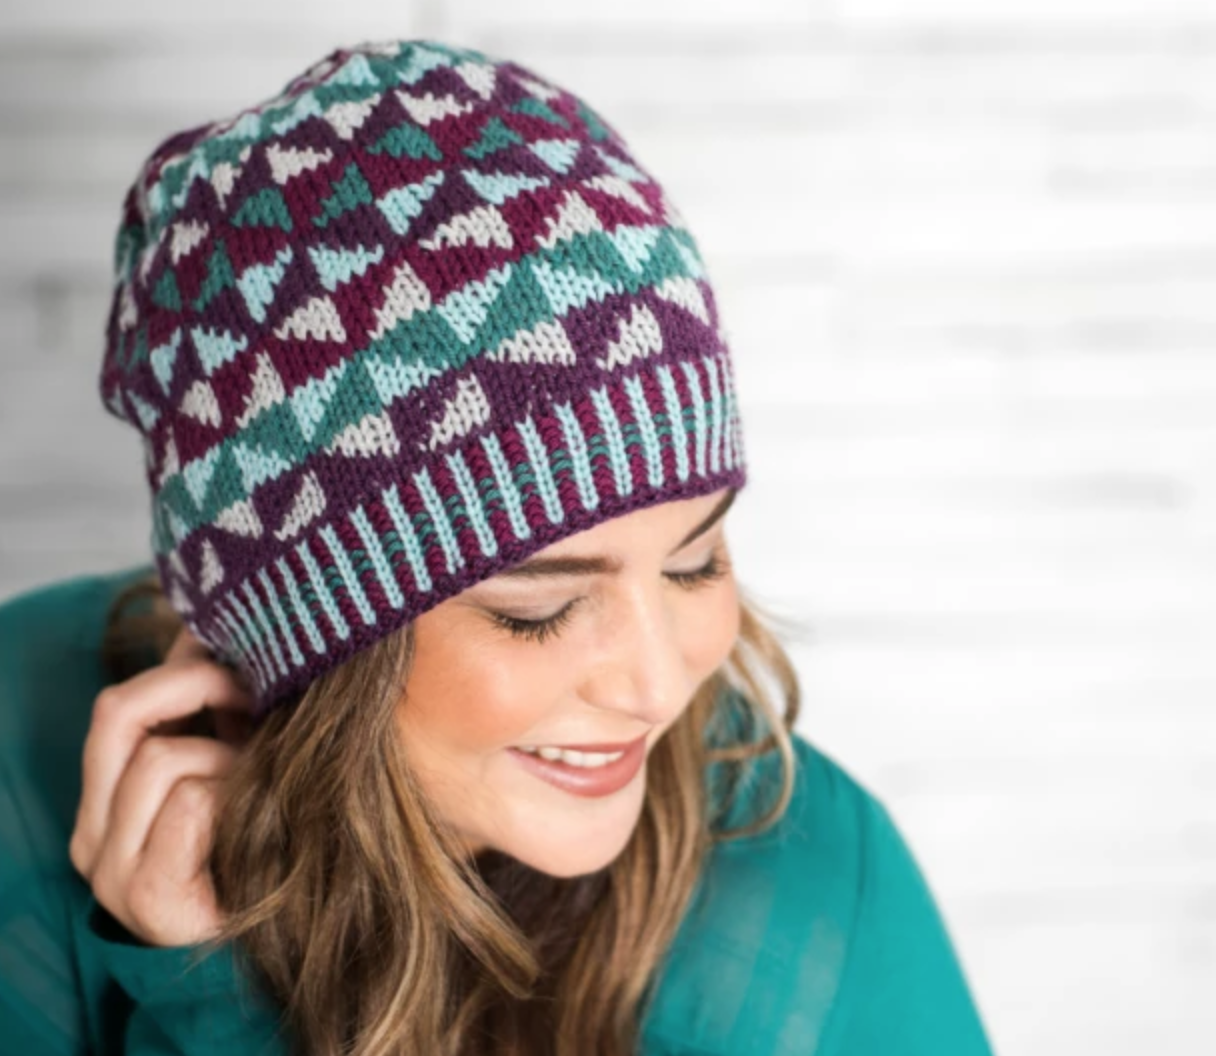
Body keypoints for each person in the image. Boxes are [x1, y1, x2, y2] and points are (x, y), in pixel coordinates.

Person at [0, 37, 996, 1056]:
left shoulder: (815, 890)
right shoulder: (17, 792)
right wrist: (198, 981)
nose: (658, 686)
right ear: (307, 631)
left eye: (694, 560)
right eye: (540, 609)